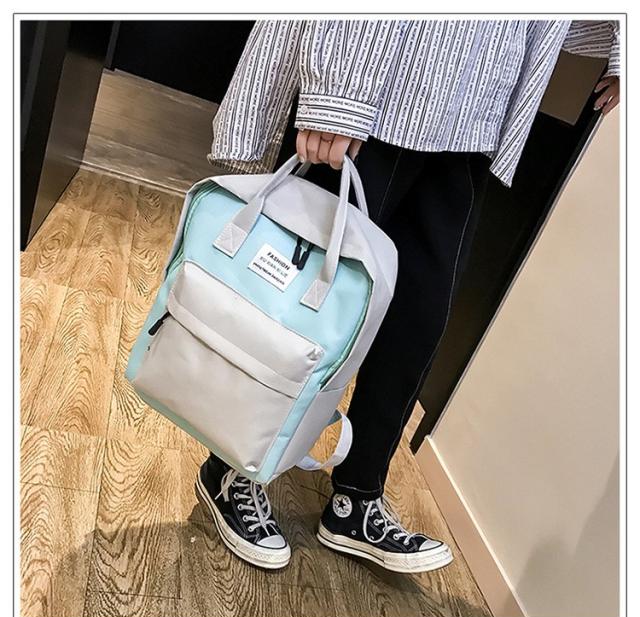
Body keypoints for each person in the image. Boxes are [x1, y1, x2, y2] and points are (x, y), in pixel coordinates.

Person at [197, 19, 620, 572]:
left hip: (476, 113)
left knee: (416, 324)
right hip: (379, 92)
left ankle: (357, 498)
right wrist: (337, 89)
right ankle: (231, 466)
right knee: (297, 304)